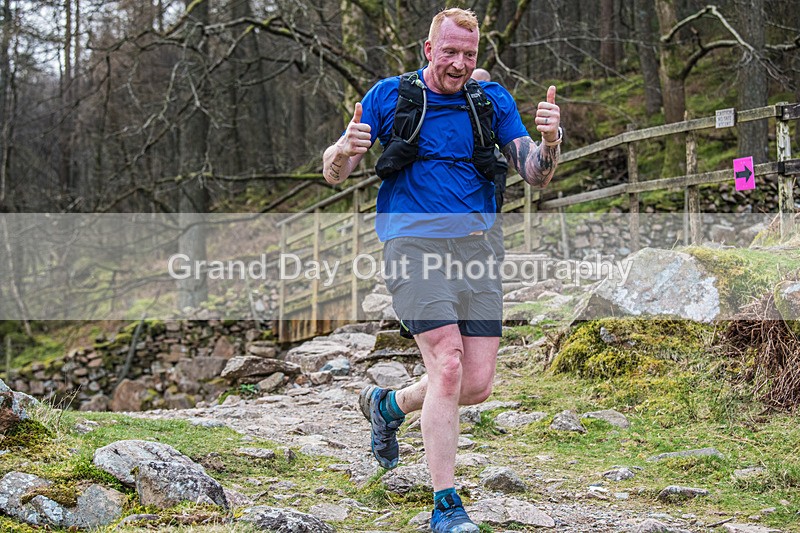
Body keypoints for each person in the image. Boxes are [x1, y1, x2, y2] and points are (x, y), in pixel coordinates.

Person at [323, 8, 562, 532]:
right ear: (429, 49)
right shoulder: (391, 96)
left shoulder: (490, 100)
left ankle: (389, 406)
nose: (459, 63)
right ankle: (446, 506)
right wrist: (342, 150)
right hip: (413, 246)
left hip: (478, 250)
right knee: (448, 365)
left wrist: (550, 143)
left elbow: (534, 174)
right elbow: (334, 172)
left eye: (468, 54)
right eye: (449, 51)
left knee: (475, 385)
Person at [469, 68, 509, 262]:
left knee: (492, 213)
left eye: (476, 82)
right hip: (475, 167)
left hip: (494, 167)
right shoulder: (466, 102)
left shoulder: (494, 104)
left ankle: (496, 261)